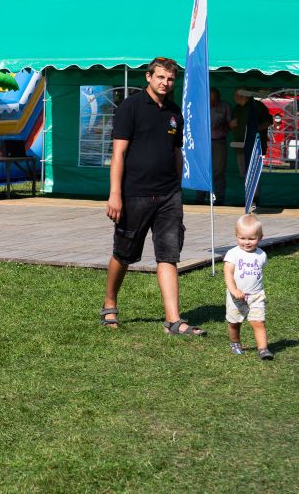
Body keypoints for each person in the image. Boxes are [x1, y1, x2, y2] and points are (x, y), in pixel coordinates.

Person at [101, 57, 205, 336]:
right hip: (134, 193)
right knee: (124, 254)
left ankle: (173, 320)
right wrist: (115, 195)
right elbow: (118, 154)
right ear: (149, 77)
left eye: (170, 79)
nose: (165, 83)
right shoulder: (130, 107)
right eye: (160, 77)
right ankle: (109, 302)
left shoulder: (174, 112)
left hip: (169, 195)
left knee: (168, 255)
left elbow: (175, 151)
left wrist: (178, 186)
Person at [224, 214, 272, 360]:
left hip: (256, 296)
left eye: (251, 239)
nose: (247, 242)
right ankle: (235, 343)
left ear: (260, 237)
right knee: (234, 323)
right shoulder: (233, 254)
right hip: (236, 297)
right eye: (242, 238)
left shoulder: (261, 254)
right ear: (236, 235)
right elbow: (228, 273)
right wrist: (234, 290)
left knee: (258, 322)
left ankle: (263, 350)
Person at [196, 87, 231, 204]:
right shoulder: (200, 106)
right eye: (210, 100)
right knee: (202, 170)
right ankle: (200, 198)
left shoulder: (225, 106)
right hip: (203, 143)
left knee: (218, 172)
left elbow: (231, 124)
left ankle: (220, 199)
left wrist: (221, 126)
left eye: (214, 100)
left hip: (219, 141)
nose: (212, 103)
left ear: (218, 98)